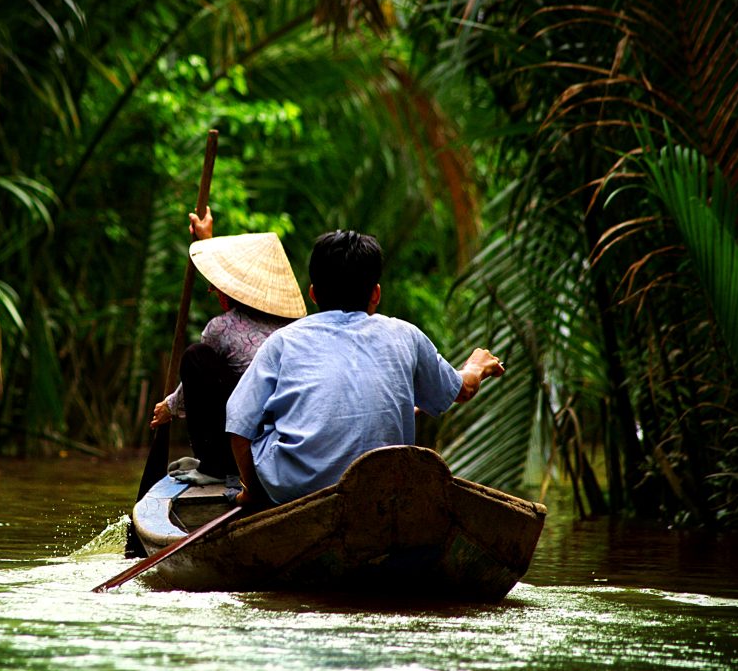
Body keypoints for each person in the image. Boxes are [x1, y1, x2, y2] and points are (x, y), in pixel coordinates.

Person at [225, 229, 505, 505]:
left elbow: (239, 423)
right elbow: (462, 390)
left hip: (294, 491)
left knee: (264, 421)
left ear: (313, 294)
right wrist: (476, 365)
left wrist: (254, 493)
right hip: (383, 487)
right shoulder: (405, 335)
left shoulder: (283, 341)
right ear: (375, 294)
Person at [150, 209, 306, 485]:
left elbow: (194, 384)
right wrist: (206, 239)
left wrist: (169, 408)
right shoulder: (299, 326)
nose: (213, 290)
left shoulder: (221, 327)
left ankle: (213, 467)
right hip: (293, 439)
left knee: (196, 357)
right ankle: (218, 463)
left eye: (218, 288)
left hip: (248, 443)